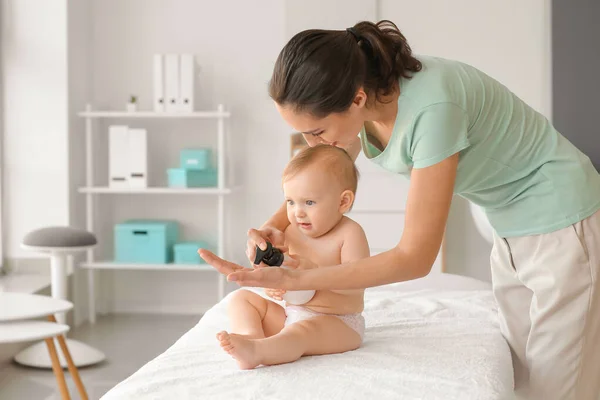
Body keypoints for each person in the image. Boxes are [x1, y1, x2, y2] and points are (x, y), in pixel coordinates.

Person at [199, 20, 600, 398]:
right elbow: (323, 176)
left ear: (355, 99)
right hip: (510, 225)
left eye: (316, 131)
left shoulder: (432, 109)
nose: (310, 143)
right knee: (522, 371)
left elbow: (415, 257)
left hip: (563, 221)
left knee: (557, 382)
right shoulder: (370, 101)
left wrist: (300, 281)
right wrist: (274, 225)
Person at [216, 144, 370, 370]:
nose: (297, 212)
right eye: (290, 201)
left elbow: (355, 284)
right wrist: (273, 286)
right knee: (241, 298)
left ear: (342, 202)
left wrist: (312, 273)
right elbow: (285, 278)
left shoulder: (349, 234)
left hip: (337, 323)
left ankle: (258, 352)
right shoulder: (290, 232)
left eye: (309, 202)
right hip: (291, 314)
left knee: (301, 332)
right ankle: (251, 336)